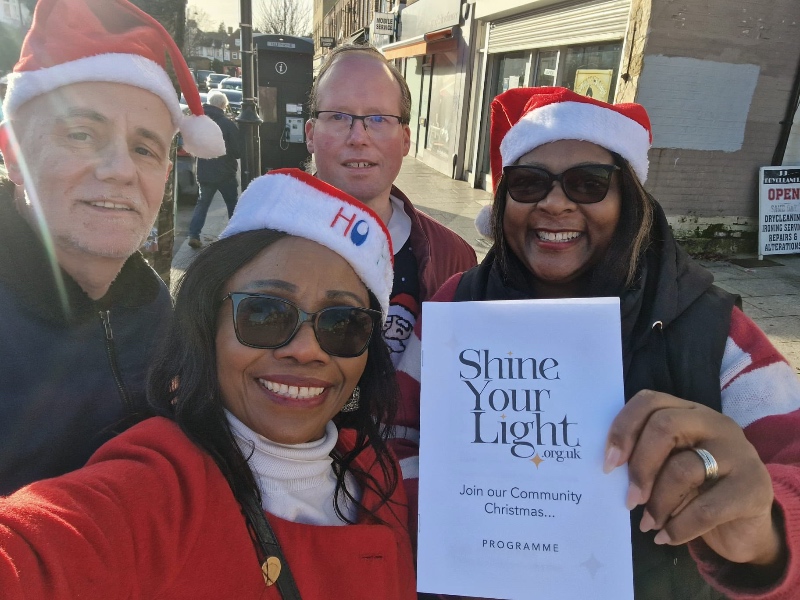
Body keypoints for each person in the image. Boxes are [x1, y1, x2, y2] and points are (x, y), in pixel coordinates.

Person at [395, 87, 800, 598]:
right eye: (528, 183)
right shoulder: (458, 307)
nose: (555, 202)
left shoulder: (707, 327)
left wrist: (767, 532)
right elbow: (399, 434)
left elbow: (791, 460)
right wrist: (447, 520)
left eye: (588, 184)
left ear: (628, 200)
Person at [0, 168, 416, 599]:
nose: (307, 350)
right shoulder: (161, 487)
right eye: (265, 313)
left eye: (343, 323)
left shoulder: (375, 471)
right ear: (207, 325)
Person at [0, 0, 224, 494]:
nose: (120, 170)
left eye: (144, 148)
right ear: (14, 152)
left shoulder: (154, 308)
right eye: (82, 134)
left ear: (165, 174)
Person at [305, 44, 477, 368]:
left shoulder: (455, 258)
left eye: (379, 118)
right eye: (339, 116)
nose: (358, 137)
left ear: (405, 139)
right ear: (311, 134)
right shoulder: (255, 244)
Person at [188, 89, 242, 249]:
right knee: (232, 204)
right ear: (223, 105)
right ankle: (234, 235)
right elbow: (237, 151)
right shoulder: (227, 124)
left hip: (205, 171)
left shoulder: (200, 122)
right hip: (225, 172)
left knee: (202, 204)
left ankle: (194, 234)